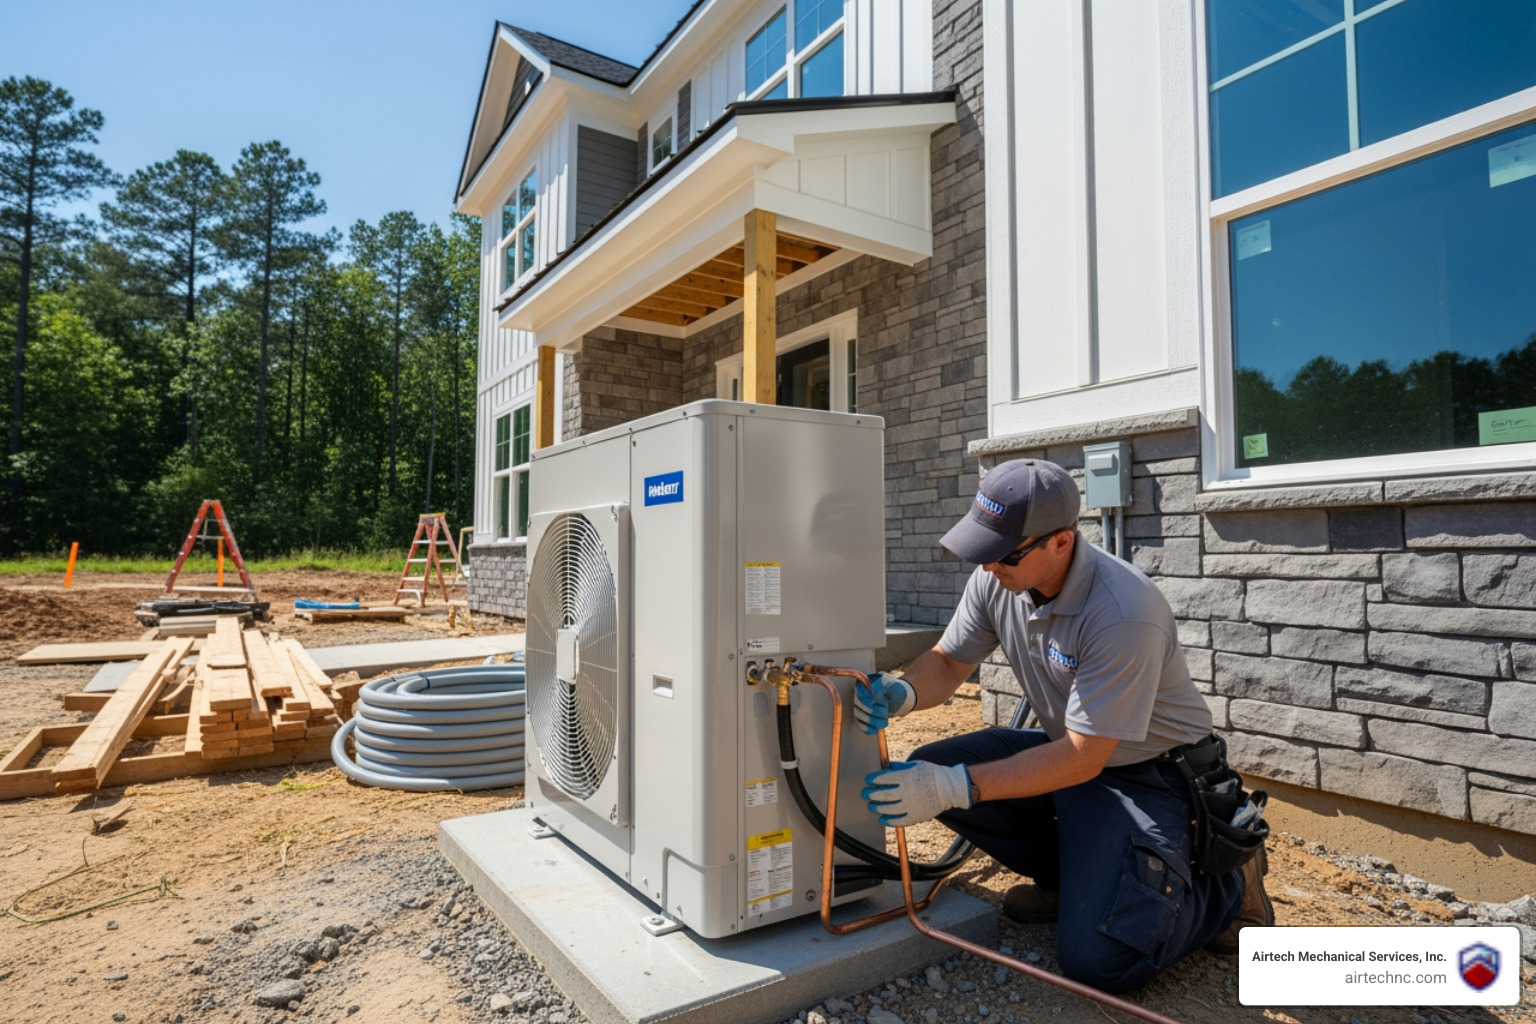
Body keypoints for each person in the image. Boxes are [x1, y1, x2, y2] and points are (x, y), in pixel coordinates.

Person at [857, 458, 1272, 994]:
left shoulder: (1122, 611)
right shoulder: (998, 580)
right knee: (933, 766)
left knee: (1102, 962)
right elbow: (949, 661)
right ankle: (1073, 880)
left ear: (1060, 542)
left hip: (1151, 777)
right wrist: (906, 692)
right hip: (1077, 757)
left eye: (1004, 553)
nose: (988, 567)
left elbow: (1084, 757)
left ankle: (1227, 880)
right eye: (982, 549)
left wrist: (953, 789)